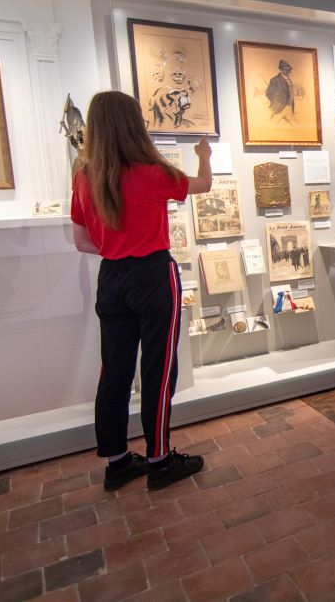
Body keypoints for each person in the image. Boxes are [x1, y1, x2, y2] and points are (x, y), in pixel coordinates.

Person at [70, 90, 213, 491]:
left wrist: (117, 245)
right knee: (159, 368)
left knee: (113, 371)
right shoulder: (151, 172)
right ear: (134, 124)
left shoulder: (84, 176)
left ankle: (117, 462)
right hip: (152, 274)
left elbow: (81, 242)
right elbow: (202, 184)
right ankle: (160, 459)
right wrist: (204, 155)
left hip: (111, 278)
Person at [265, 59, 296, 125]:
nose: (289, 71)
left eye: (289, 69)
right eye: (287, 69)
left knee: (296, 126)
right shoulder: (275, 80)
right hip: (279, 109)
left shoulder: (289, 81)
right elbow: (268, 93)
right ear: (281, 70)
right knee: (270, 126)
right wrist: (277, 102)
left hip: (289, 108)